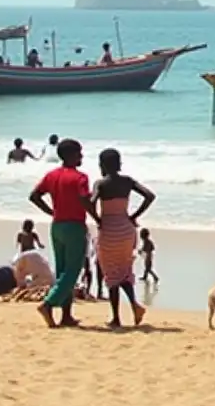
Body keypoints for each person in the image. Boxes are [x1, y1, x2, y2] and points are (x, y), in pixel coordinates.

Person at [29, 138, 94, 328]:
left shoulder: (52, 175)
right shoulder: (80, 177)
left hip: (57, 226)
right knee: (72, 271)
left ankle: (66, 315)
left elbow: (34, 196)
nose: (81, 156)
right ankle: (48, 304)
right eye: (79, 153)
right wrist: (97, 217)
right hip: (74, 226)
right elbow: (84, 199)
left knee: (62, 272)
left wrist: (51, 211)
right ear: (71, 155)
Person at [91, 148, 154, 329]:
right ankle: (134, 306)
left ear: (102, 165)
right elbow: (150, 196)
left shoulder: (100, 184)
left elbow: (92, 201)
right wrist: (133, 216)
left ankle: (116, 318)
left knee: (111, 274)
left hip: (109, 230)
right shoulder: (128, 181)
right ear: (119, 164)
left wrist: (95, 217)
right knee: (124, 271)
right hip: (126, 230)